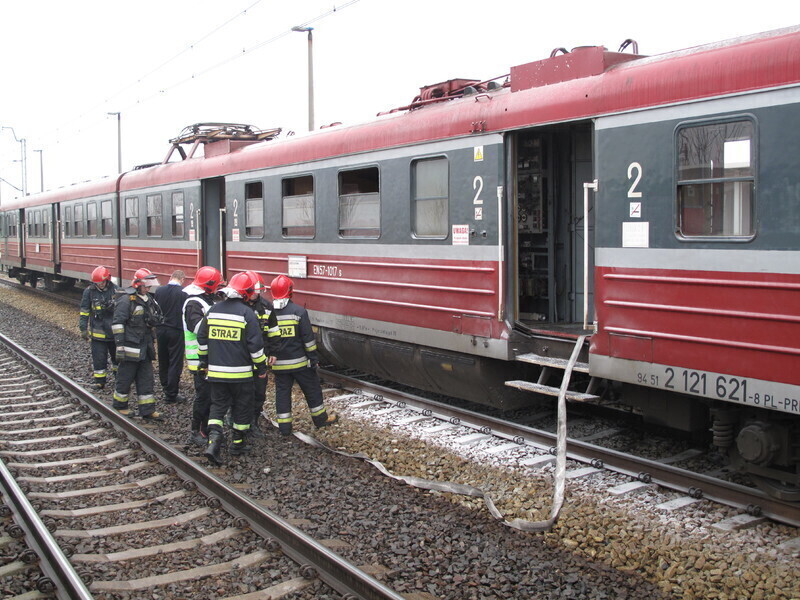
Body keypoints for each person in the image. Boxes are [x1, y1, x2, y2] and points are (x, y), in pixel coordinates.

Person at [197, 272, 268, 464]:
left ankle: (213, 442)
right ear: (246, 293)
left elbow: (202, 338)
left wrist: (204, 361)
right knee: (242, 407)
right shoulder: (247, 314)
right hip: (241, 375)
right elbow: (255, 347)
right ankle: (237, 444)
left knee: (217, 406)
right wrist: (261, 368)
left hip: (216, 373)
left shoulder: (213, 311)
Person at [269, 274, 338, 436]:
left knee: (282, 394)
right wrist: (313, 359)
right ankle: (320, 420)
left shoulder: (268, 314)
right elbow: (308, 339)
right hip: (300, 363)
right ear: (290, 291)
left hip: (279, 365)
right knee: (312, 390)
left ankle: (284, 427)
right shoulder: (299, 312)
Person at [112, 268, 164, 420]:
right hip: (130, 348)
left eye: (149, 285)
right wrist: (120, 346)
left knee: (146, 379)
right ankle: (120, 406)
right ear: (137, 284)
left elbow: (157, 316)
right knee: (125, 378)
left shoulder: (149, 300)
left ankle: (147, 410)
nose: (148, 288)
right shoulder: (126, 300)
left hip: (145, 348)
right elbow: (118, 324)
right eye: (146, 286)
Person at [182, 266, 224, 447]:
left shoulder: (207, 300)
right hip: (199, 360)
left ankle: (207, 429)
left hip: (209, 357)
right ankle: (196, 430)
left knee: (212, 397)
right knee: (203, 397)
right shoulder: (193, 303)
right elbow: (198, 328)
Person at [244, 270, 279, 437]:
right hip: (241, 358)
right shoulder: (238, 307)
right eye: (252, 291)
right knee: (240, 392)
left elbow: (273, 331)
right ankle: (236, 419)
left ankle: (253, 422)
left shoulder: (266, 307)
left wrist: (274, 352)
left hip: (261, 358)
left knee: (259, 393)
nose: (255, 295)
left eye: (257, 292)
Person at [78, 265, 118, 389]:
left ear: (107, 279)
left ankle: (120, 380)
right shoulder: (89, 292)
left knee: (117, 358)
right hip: (98, 333)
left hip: (113, 333)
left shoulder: (116, 290)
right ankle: (100, 381)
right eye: (97, 283)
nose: (100, 284)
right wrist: (83, 329)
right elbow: (84, 311)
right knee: (99, 358)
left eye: (102, 282)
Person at [154, 270, 188, 403]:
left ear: (170, 277)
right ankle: (171, 393)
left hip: (161, 329)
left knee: (163, 359)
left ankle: (164, 386)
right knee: (175, 361)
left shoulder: (159, 291)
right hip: (176, 330)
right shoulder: (183, 293)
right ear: (182, 279)